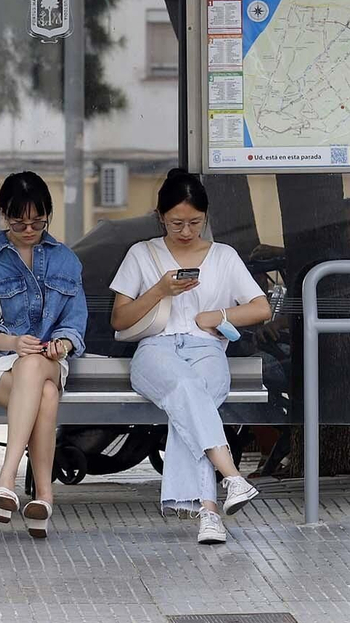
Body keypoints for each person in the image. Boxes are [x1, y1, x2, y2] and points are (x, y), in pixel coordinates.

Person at [110, 168, 272, 545]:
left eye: (195, 222)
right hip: (155, 349)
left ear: (206, 217)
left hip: (207, 348)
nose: (185, 231)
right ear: (160, 217)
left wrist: (218, 316)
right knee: (188, 389)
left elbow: (261, 308)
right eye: (176, 222)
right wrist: (160, 290)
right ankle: (230, 478)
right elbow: (119, 319)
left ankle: (210, 514)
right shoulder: (142, 254)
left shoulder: (223, 256)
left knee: (192, 401)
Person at [0, 172, 88, 539]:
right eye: (19, 222)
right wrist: (14, 342)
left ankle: (7, 477)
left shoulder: (65, 260)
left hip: (49, 360)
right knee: (44, 393)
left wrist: (61, 344)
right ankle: (44, 498)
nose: (29, 229)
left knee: (36, 366)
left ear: (48, 215)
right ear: (4, 214)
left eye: (37, 221)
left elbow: (74, 320)